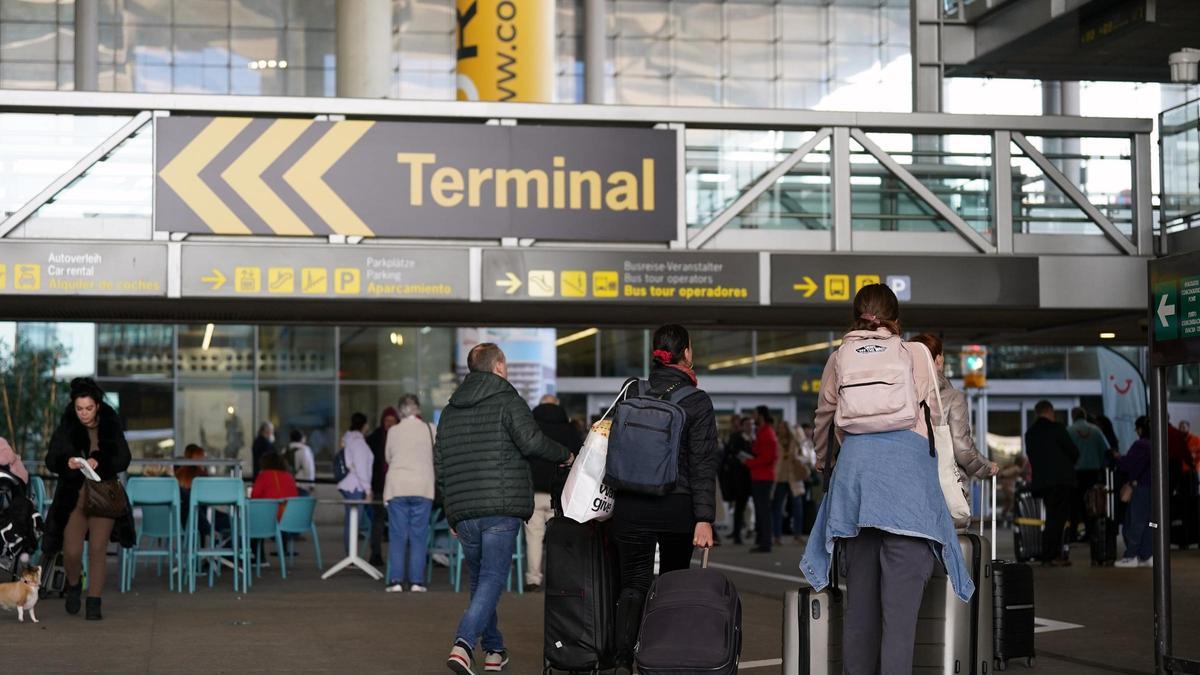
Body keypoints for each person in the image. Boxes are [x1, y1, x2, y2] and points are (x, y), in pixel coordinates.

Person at [800, 284, 967, 674]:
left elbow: (823, 420)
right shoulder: (916, 354)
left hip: (855, 487)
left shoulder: (839, 357)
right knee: (900, 620)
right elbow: (934, 417)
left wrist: (826, 464)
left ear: (856, 316)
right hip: (907, 490)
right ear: (896, 318)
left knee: (859, 612)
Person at [436, 343, 570, 675]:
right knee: (493, 577)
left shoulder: (450, 411)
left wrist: (452, 509)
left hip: (465, 511)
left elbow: (441, 463)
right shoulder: (507, 399)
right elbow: (532, 442)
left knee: (482, 580)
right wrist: (566, 455)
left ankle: (494, 650)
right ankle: (463, 644)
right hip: (500, 505)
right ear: (498, 366)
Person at [609, 325, 718, 673]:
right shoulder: (697, 401)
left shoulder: (630, 391)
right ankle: (661, 659)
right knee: (671, 583)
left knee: (633, 583)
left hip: (629, 504)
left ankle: (622, 660)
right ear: (686, 353)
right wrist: (704, 518)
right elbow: (702, 462)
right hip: (677, 506)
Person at [43, 378, 135, 621]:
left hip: (103, 496)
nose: (83, 413)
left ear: (97, 406)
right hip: (73, 498)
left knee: (97, 549)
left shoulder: (110, 425)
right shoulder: (67, 427)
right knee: (71, 552)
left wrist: (100, 460)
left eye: (88, 408)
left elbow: (124, 459)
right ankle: (74, 585)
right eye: (79, 408)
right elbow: (50, 460)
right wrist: (68, 462)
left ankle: (94, 602)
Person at [910, 333, 1000, 529]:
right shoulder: (951, 398)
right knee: (951, 551)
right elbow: (962, 449)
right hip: (943, 495)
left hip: (908, 494)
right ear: (939, 360)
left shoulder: (900, 397)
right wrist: (985, 467)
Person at [527, 394, 582, 591]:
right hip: (559, 493)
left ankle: (533, 578)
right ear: (557, 406)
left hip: (533, 492)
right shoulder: (569, 430)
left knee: (534, 536)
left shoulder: (530, 429)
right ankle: (559, 579)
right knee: (559, 539)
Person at [384, 395, 436, 593]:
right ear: (418, 410)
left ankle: (396, 581)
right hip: (423, 487)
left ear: (400, 412)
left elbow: (388, 457)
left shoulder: (393, 431)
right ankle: (416, 582)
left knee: (397, 536)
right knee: (419, 536)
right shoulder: (430, 429)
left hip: (397, 487)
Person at [1024, 400, 1079, 566]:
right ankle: (1051, 555)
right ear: (1049, 411)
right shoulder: (1057, 429)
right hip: (1061, 480)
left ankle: (1049, 554)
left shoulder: (1030, 433)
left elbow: (1032, 457)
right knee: (1058, 519)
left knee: (1050, 517)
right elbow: (1073, 452)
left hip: (1043, 482)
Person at [1067, 407, 1111, 539]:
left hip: (1074, 474)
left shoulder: (1069, 431)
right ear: (1085, 416)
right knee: (1092, 503)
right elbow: (1106, 451)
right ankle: (1091, 533)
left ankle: (1073, 533)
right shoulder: (1096, 431)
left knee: (1075, 504)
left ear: (1073, 416)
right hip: (1093, 473)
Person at [1115, 416, 1152, 567]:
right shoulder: (1158, 443)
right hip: (1155, 489)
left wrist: (1117, 457)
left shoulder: (1140, 444)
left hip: (1141, 488)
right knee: (1152, 523)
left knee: (1135, 522)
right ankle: (1147, 554)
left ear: (1140, 429)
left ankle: (1131, 556)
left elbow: (1127, 464)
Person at [366, 406, 400, 567]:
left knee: (396, 522)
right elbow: (369, 464)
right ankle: (376, 554)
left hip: (397, 487)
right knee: (378, 521)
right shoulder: (374, 439)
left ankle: (397, 558)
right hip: (379, 486)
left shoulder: (402, 436)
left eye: (393, 421)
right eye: (387, 421)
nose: (390, 424)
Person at [743, 405, 778, 553]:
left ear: (761, 415)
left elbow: (770, 457)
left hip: (762, 476)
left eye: (755, 414)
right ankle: (763, 540)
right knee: (761, 510)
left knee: (763, 510)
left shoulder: (767, 432)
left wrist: (749, 462)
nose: (753, 417)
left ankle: (765, 542)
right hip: (760, 475)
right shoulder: (763, 432)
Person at [338, 413, 374, 554]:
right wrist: (368, 490)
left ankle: (350, 555)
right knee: (354, 524)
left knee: (350, 523)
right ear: (364, 425)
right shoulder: (358, 442)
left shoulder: (348, 438)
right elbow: (361, 468)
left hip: (348, 485)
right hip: (356, 486)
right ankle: (351, 556)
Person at [770, 421, 810, 546]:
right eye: (780, 428)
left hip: (794, 478)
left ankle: (797, 535)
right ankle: (777, 536)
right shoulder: (775, 441)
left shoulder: (795, 441)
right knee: (777, 508)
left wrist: (798, 459)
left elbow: (805, 454)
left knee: (797, 508)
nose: (782, 430)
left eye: (784, 428)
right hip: (780, 478)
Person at [718, 415, 752, 544]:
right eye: (747, 424)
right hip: (738, 478)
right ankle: (738, 533)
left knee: (742, 507)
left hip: (743, 477)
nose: (750, 427)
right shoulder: (737, 437)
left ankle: (739, 532)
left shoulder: (750, 438)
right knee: (740, 506)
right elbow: (736, 454)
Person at [288, 429, 316, 495]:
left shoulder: (285, 450)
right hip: (301, 485)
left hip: (288, 484)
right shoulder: (305, 450)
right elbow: (309, 468)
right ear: (301, 438)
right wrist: (311, 484)